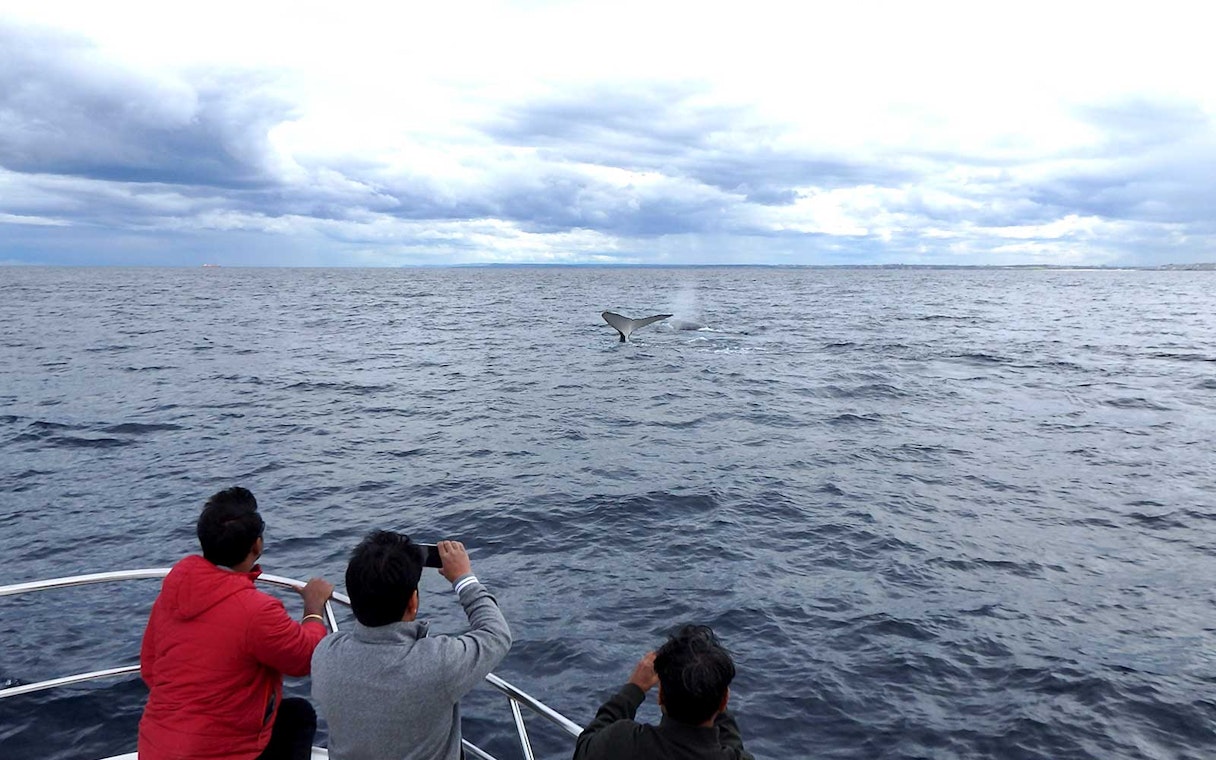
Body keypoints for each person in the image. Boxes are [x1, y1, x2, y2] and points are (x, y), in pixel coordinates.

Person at [138, 487, 335, 760]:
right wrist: (313, 609)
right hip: (222, 752)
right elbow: (304, 658)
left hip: (155, 748)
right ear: (257, 545)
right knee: (299, 715)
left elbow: (149, 668)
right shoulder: (256, 611)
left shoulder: (172, 592)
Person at [311, 532, 512, 760]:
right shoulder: (438, 663)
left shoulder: (326, 654)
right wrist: (464, 579)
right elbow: (497, 634)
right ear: (412, 603)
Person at [573, 624, 753, 760]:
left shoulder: (623, 743)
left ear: (660, 696)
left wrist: (634, 689)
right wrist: (712, 687)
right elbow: (733, 747)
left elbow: (584, 748)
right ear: (724, 701)